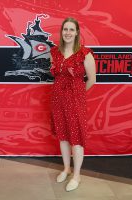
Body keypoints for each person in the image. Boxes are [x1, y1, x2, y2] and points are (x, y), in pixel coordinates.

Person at [50, 17, 96, 192]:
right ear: (61, 32)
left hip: (75, 101)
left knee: (76, 139)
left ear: (77, 32)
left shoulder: (85, 53)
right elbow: (55, 72)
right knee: (62, 136)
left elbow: (92, 79)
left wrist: (77, 93)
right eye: (65, 29)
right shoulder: (54, 52)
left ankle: (76, 175)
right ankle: (66, 168)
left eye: (71, 29)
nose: (67, 32)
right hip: (57, 99)